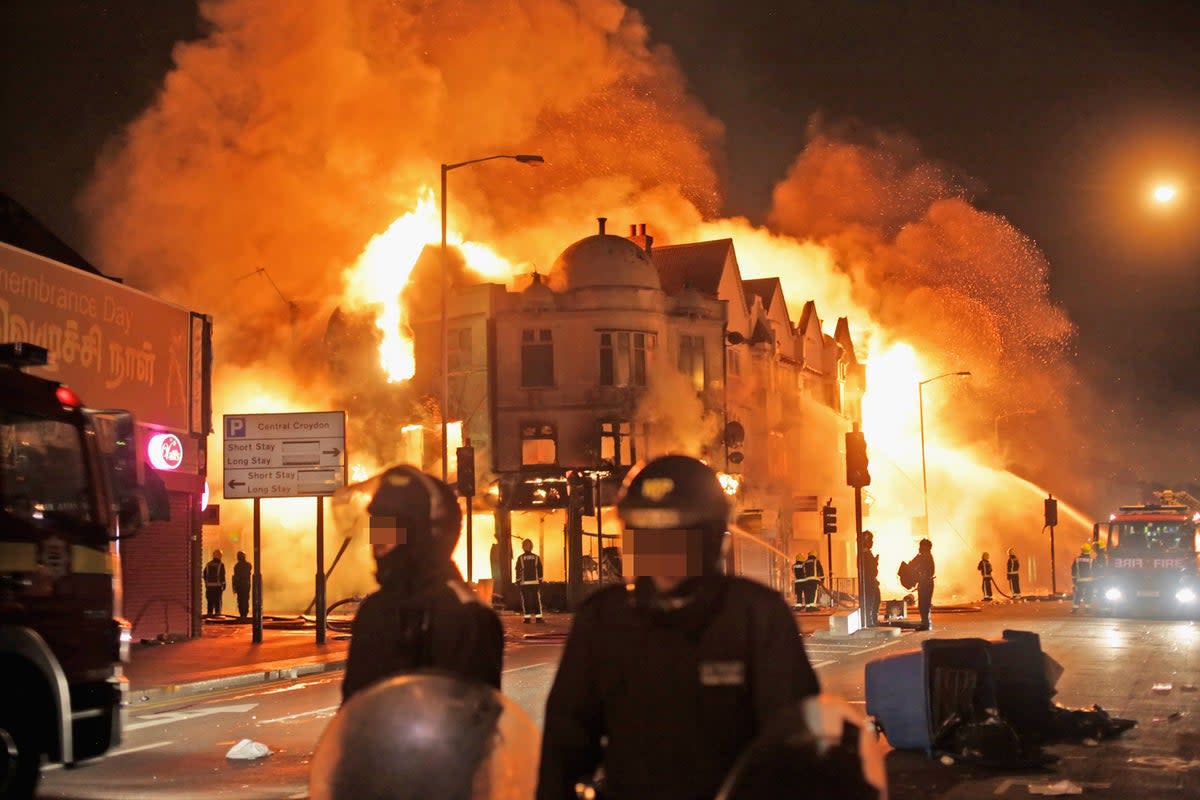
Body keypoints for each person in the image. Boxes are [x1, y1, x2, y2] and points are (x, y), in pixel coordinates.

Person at [537, 454, 821, 800]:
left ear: (712, 535)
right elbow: (564, 746)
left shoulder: (755, 616)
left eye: (677, 534)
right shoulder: (603, 619)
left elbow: (795, 742)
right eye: (646, 533)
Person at [341, 465, 503, 702]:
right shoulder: (374, 610)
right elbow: (352, 710)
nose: (379, 543)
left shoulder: (465, 616)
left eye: (392, 528)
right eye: (378, 528)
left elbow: (473, 723)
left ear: (426, 534)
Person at [310, 673, 539, 800]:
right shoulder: (469, 614)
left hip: (377, 742)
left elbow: (356, 681)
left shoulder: (375, 609)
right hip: (448, 746)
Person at [515, 538, 545, 623]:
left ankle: (527, 619)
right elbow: (540, 569)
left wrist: (518, 581)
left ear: (523, 547)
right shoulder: (536, 557)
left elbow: (518, 570)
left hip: (524, 583)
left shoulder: (520, 558)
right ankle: (538, 618)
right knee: (536, 600)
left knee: (526, 600)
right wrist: (540, 580)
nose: (526, 546)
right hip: (535, 582)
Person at [910, 538, 935, 631]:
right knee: (924, 604)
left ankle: (925, 624)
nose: (920, 548)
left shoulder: (925, 557)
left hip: (926, 584)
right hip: (926, 583)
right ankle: (926, 623)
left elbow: (914, 565)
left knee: (924, 604)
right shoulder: (926, 556)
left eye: (921, 546)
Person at [862, 531, 880, 627]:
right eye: (870, 540)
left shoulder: (866, 552)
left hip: (871, 580)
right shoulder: (865, 553)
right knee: (871, 601)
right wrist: (875, 561)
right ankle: (870, 621)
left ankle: (873, 620)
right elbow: (869, 568)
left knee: (876, 599)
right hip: (869, 581)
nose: (872, 542)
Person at [1071, 543, 1094, 612]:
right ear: (1090, 551)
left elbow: (1073, 569)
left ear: (1082, 550)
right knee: (1088, 594)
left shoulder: (1077, 559)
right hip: (1089, 581)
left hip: (1079, 580)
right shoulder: (1092, 560)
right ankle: (1088, 608)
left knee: (1078, 594)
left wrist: (1074, 579)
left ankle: (1075, 608)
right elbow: (1094, 570)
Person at [203, 549, 226, 617]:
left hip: (209, 586)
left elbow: (204, 574)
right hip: (217, 586)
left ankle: (209, 614)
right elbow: (222, 575)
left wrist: (207, 583)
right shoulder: (221, 564)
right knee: (217, 600)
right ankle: (217, 614)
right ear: (219, 556)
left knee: (210, 601)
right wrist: (224, 584)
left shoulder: (208, 564)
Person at [232, 551, 252, 619]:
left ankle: (242, 614)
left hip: (240, 585)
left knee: (240, 599)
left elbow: (235, 577)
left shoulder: (237, 566)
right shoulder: (248, 564)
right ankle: (245, 613)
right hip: (246, 584)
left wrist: (234, 586)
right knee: (246, 599)